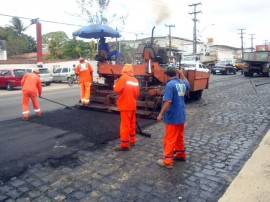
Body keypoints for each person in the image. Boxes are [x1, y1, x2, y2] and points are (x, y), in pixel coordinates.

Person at [156, 67, 190, 169]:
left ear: (167, 75)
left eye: (164, 75)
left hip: (173, 116)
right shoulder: (181, 83)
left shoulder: (170, 85)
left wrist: (160, 114)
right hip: (181, 115)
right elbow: (188, 84)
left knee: (169, 138)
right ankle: (180, 154)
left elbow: (167, 102)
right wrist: (181, 74)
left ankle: (167, 161)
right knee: (179, 136)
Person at [113, 64, 140, 151]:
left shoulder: (123, 78)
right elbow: (137, 94)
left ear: (124, 70)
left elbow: (117, 89)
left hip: (125, 105)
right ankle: (132, 140)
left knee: (125, 125)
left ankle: (124, 144)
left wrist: (115, 83)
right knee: (132, 124)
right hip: (132, 104)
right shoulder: (135, 80)